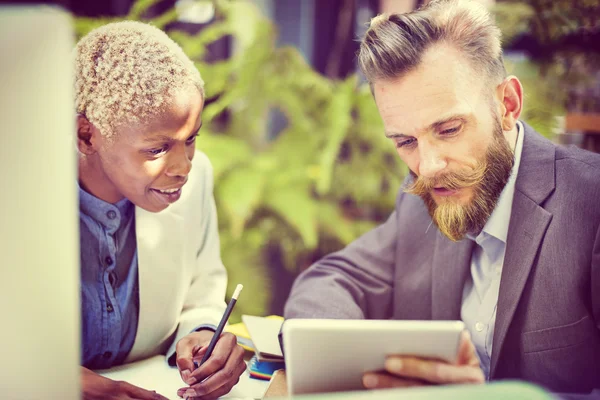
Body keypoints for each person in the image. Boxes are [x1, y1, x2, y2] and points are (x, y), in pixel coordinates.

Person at [284, 0, 600, 398]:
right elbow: (330, 280)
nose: (428, 166)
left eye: (448, 129)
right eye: (405, 141)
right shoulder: (422, 198)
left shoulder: (592, 205)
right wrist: (341, 363)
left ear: (507, 105)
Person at [75, 21, 245, 400]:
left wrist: (201, 336)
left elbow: (200, 295)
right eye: (156, 149)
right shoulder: (16, 198)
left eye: (191, 140)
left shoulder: (195, 178)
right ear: (87, 136)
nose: (183, 166)